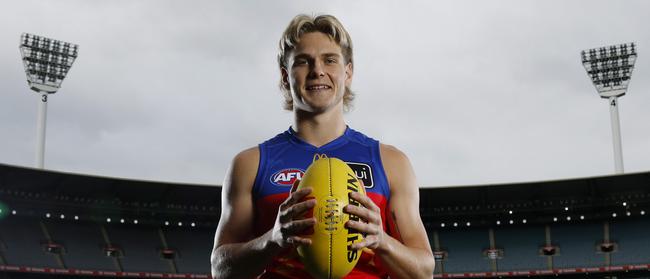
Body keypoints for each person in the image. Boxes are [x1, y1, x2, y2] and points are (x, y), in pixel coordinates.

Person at [210, 14, 434, 279]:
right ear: (285, 76)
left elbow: (424, 272)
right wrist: (271, 239)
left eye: (330, 60)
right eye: (303, 61)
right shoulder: (250, 164)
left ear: (348, 72)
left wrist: (381, 241)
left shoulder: (391, 163)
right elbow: (220, 270)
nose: (318, 70)